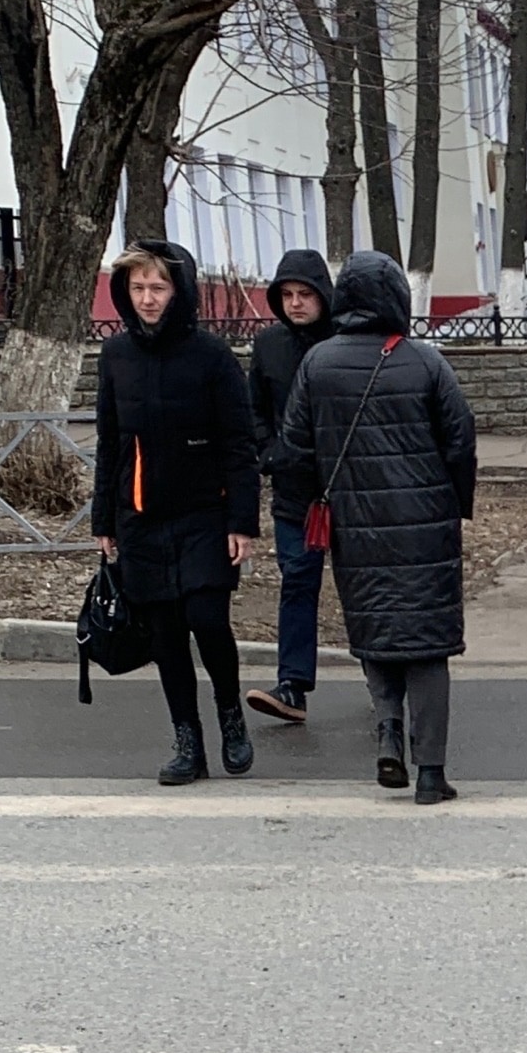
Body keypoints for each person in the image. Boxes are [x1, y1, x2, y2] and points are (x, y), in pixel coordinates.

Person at [276, 248, 478, 805]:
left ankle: (388, 734)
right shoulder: (426, 361)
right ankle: (432, 773)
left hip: (354, 524)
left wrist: (317, 501)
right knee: (426, 644)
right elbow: (461, 439)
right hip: (425, 526)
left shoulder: (317, 364)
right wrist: (457, 504)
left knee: (376, 632)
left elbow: (292, 449)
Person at [90, 240, 260, 786]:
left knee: (208, 622)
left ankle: (230, 718)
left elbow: (239, 441)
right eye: (138, 288)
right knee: (165, 637)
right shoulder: (117, 357)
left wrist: (242, 520)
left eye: (158, 288)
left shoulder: (211, 356)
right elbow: (110, 440)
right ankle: (188, 742)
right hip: (141, 517)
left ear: (178, 290)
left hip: (204, 514)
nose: (147, 299)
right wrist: (105, 521)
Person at [245, 248, 336, 724]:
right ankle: (292, 685)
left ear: (324, 295)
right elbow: (254, 409)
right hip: (293, 490)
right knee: (297, 582)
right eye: (287, 295)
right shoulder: (269, 346)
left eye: (305, 294)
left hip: (349, 488)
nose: (297, 303)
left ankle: (389, 677)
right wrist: (268, 453)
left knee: (364, 586)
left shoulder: (347, 342)